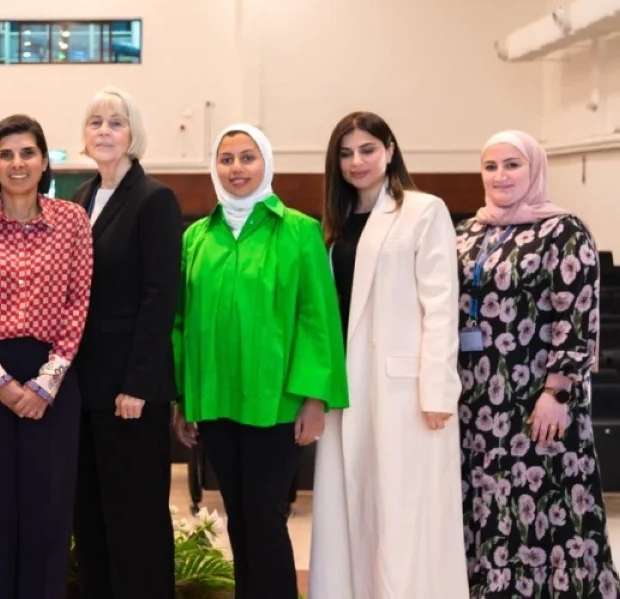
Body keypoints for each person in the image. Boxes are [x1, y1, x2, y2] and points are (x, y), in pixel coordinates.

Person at [171, 123, 348, 599]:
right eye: (226, 158)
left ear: (266, 163)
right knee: (239, 516)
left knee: (266, 516)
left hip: (277, 402)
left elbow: (317, 318)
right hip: (216, 398)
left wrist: (315, 398)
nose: (237, 168)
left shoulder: (299, 232)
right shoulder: (196, 237)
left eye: (247, 157)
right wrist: (183, 398)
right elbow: (181, 321)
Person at [308, 111, 468, 599]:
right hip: (345, 383)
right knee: (349, 508)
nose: (356, 162)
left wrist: (437, 390)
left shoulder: (424, 210)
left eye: (367, 150)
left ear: (390, 150)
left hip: (405, 389)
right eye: (345, 153)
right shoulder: (333, 223)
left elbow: (441, 306)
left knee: (401, 512)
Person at [458, 130, 618, 598]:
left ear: (535, 169)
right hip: (476, 399)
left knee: (543, 502)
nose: (500, 176)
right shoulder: (468, 232)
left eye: (513, 165)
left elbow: (576, 314)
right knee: (487, 499)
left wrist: (557, 392)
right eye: (491, 166)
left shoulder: (564, 230)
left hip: (536, 398)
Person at [0, 114, 94, 599]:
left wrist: (45, 385)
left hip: (53, 379)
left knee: (48, 510)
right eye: (5, 154)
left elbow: (78, 303)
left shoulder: (72, 220)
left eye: (28, 152)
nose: (17, 163)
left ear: (45, 161)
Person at [70, 87, 181, 599]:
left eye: (116, 122)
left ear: (133, 133)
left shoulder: (154, 199)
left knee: (136, 520)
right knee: (91, 517)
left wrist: (136, 384)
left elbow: (160, 296)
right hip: (84, 388)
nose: (105, 131)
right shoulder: (80, 199)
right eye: (96, 122)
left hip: (130, 392)